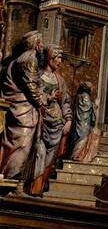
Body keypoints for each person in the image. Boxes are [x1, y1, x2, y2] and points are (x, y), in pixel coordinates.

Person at [0, 31, 44, 183]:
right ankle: (11, 179)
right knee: (22, 145)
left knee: (12, 144)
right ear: (36, 44)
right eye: (41, 42)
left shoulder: (17, 59)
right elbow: (31, 86)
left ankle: (9, 178)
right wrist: (41, 103)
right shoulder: (29, 59)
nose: (42, 46)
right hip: (23, 109)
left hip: (18, 107)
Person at [29, 47, 72, 196]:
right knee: (38, 153)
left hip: (56, 123)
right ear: (49, 58)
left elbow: (65, 101)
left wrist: (68, 120)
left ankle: (38, 189)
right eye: (57, 58)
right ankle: (30, 187)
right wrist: (47, 98)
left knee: (50, 158)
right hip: (40, 120)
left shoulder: (59, 79)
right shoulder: (38, 76)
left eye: (61, 58)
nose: (60, 61)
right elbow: (32, 94)